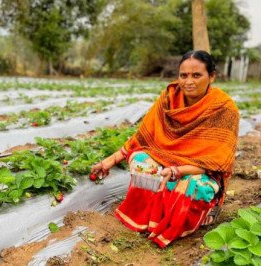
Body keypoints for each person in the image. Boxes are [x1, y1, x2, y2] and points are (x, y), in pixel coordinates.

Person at [90, 50, 239, 248]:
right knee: (141, 162)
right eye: (183, 75)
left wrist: (178, 171)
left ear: (211, 77)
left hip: (200, 170)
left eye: (197, 75)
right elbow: (142, 137)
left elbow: (217, 162)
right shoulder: (169, 98)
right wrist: (109, 161)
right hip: (166, 161)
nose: (188, 82)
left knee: (190, 188)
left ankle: (191, 216)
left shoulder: (224, 109)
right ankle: (149, 218)